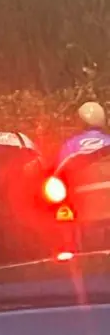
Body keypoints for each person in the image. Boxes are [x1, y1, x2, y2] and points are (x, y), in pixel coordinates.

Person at [57, 102, 110, 251]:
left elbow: (58, 175)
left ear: (79, 122)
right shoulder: (109, 142)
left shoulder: (70, 146)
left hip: (82, 213)